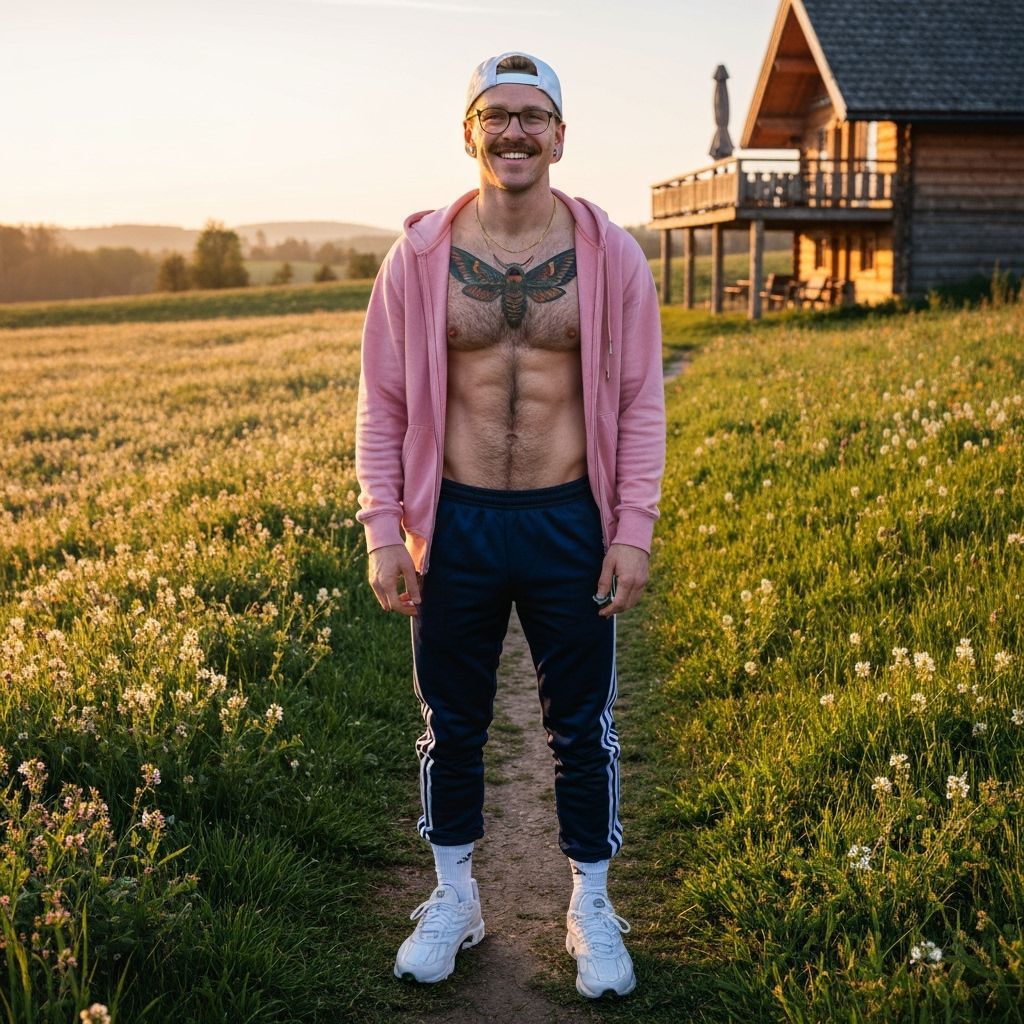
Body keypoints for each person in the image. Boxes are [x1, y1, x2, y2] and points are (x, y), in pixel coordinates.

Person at [355, 51, 665, 999]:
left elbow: (640, 401)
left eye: (534, 116)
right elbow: (383, 403)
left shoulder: (612, 258)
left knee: (582, 725)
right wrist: (381, 528)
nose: (516, 132)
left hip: (571, 519)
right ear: (469, 132)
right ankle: (455, 898)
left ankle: (591, 901)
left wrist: (633, 528)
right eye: (497, 115)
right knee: (452, 724)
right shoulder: (417, 262)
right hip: (457, 526)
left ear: (562, 136)